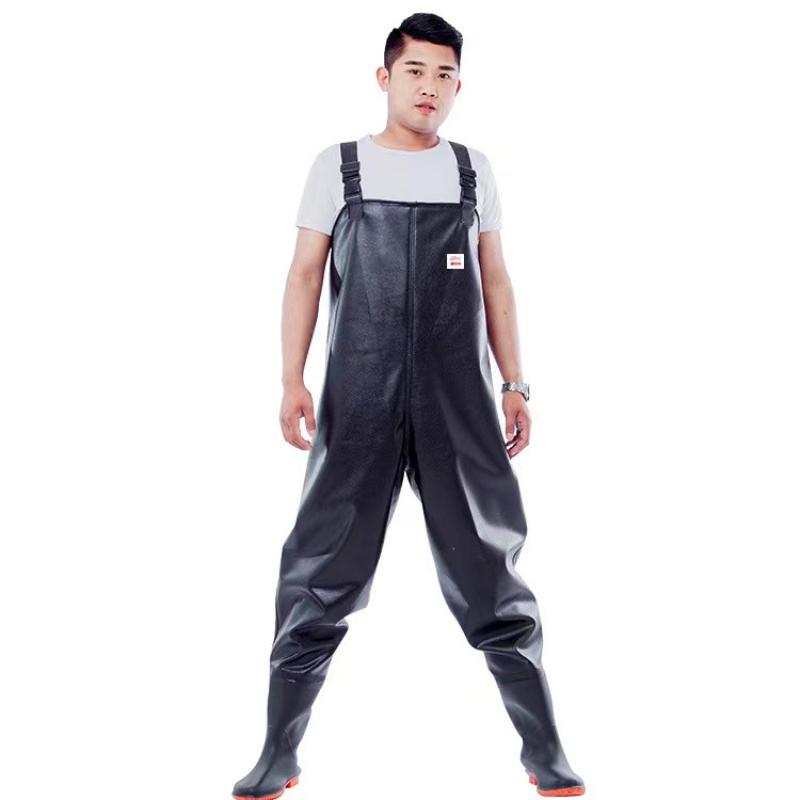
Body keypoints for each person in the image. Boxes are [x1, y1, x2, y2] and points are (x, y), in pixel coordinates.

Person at [232, 12, 585, 799]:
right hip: (357, 397)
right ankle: (277, 754)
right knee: (318, 573)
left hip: (458, 402)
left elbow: (496, 280)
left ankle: (546, 753)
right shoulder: (339, 166)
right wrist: (292, 379)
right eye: (416, 71)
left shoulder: (471, 170)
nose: (430, 87)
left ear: (459, 85)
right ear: (384, 77)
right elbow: (303, 275)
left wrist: (515, 382)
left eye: (445, 74)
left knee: (492, 573)